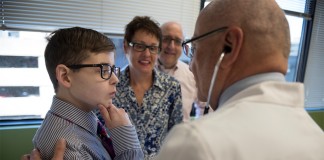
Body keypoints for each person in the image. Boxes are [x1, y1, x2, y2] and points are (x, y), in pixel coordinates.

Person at [23, 0, 324, 159]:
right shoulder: (317, 140)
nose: (189, 63)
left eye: (193, 46)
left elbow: (174, 133)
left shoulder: (197, 141)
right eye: (141, 46)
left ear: (229, 46)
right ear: (127, 47)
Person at [31, 27, 143, 160]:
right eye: (104, 70)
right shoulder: (72, 149)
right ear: (65, 76)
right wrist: (127, 142)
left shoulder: (83, 125)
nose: (115, 79)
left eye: (113, 70)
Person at [96, 16, 183, 159]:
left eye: (153, 48)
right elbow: (98, 134)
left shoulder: (171, 87)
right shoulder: (108, 85)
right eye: (140, 46)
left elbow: (177, 137)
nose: (147, 54)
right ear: (126, 46)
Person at [156, 21, 211, 121]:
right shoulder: (140, 71)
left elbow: (205, 108)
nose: (171, 46)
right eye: (166, 39)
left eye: (177, 41)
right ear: (157, 40)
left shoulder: (192, 74)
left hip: (180, 135)